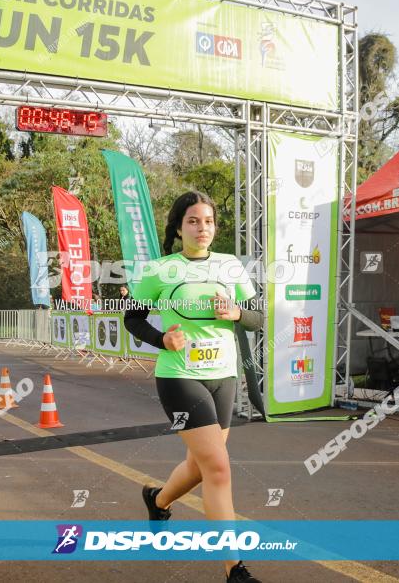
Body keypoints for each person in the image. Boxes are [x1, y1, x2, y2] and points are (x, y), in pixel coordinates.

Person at [124, 191, 264, 583]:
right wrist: (162, 340)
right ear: (179, 226)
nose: (202, 228)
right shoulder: (160, 270)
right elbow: (132, 320)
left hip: (224, 376)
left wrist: (237, 312)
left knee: (199, 467)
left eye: (208, 221)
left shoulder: (230, 266)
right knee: (218, 467)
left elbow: (258, 319)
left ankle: (159, 499)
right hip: (179, 376)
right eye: (193, 221)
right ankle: (234, 569)